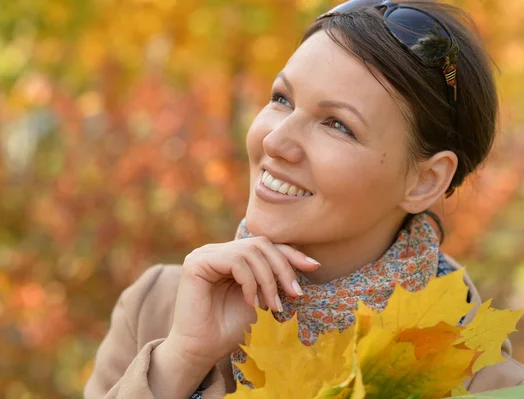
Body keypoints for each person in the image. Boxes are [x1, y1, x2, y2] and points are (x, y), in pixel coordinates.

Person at [84, 1, 524, 398]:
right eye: (282, 99)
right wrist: (181, 360)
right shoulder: (156, 308)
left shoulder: (481, 382)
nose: (276, 140)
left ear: (425, 181)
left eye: (337, 125)